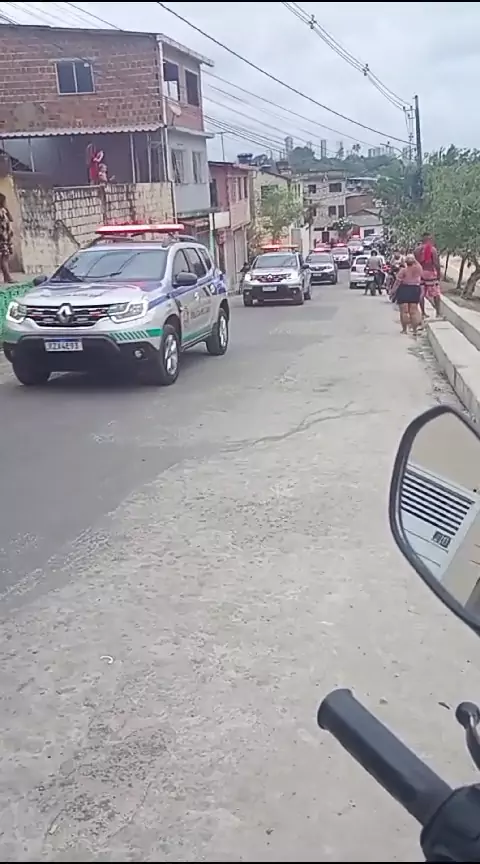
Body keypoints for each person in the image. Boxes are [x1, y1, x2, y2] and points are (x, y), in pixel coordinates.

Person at [392, 253, 423, 335]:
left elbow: (397, 282)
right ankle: (415, 330)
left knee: (404, 311)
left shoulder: (403, 270)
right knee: (414, 311)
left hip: (404, 289)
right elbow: (418, 264)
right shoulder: (418, 269)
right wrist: (413, 259)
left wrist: (393, 291)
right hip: (415, 289)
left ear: (405, 261)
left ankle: (404, 330)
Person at [415, 232, 441, 318]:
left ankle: (423, 313)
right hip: (430, 273)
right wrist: (438, 274)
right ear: (429, 239)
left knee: (421, 293)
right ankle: (438, 313)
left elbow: (415, 263)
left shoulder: (417, 250)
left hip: (420, 273)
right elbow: (436, 263)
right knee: (436, 293)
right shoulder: (432, 249)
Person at [0, 194, 13, 284]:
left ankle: (6, 277)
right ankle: (8, 277)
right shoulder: (1, 212)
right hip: (2, 238)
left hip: (6, 237)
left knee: (5, 257)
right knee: (4, 257)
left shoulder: (4, 211)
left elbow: (10, 220)